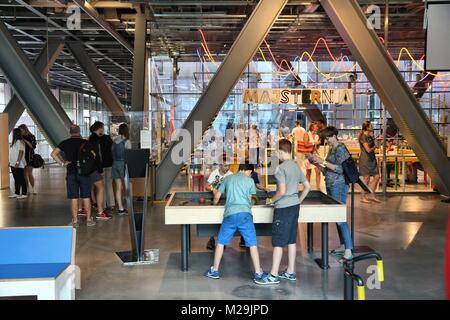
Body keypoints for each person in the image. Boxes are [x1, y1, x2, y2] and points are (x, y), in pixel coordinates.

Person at [255, 139, 311, 285]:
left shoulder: (280, 168)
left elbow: (281, 191)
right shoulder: (295, 166)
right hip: (294, 207)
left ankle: (273, 275)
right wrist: (298, 200)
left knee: (278, 242)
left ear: (280, 151)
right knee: (291, 240)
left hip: (283, 208)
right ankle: (290, 271)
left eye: (276, 152)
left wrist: (271, 200)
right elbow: (307, 186)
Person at [204, 163, 265, 282]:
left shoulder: (227, 178)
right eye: (250, 172)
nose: (250, 174)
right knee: (252, 243)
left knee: (221, 242)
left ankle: (214, 271)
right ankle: (258, 273)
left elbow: (217, 196)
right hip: (245, 215)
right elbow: (249, 199)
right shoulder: (249, 181)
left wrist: (214, 204)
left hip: (230, 214)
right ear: (246, 170)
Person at [309, 126, 353, 261]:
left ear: (334, 135)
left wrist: (322, 161)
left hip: (339, 184)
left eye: (328, 137)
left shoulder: (340, 148)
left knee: (340, 217)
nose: (326, 140)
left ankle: (349, 250)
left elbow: (340, 169)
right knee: (336, 215)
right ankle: (343, 245)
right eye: (325, 138)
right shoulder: (331, 149)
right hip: (331, 183)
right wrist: (316, 163)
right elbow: (326, 171)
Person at [51, 125, 95, 227]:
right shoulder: (85, 143)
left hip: (71, 173)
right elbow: (94, 155)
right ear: (79, 132)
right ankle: (89, 220)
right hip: (84, 173)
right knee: (86, 196)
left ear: (70, 132)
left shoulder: (65, 143)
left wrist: (62, 163)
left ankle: (75, 221)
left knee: (74, 197)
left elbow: (53, 154)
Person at [205, 160, 233, 250]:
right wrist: (213, 188)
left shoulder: (230, 174)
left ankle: (222, 241)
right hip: (215, 200)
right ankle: (212, 239)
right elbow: (207, 186)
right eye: (225, 166)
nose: (227, 168)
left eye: (229, 166)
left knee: (224, 221)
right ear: (220, 165)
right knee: (214, 220)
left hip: (226, 200)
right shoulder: (214, 173)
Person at [88, 122, 112, 220]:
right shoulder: (105, 138)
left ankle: (97, 204)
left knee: (94, 187)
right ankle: (103, 208)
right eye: (102, 127)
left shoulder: (91, 139)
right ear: (100, 128)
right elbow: (98, 155)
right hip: (101, 166)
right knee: (103, 186)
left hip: (95, 167)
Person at [359, 121, 381, 203]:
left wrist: (376, 141)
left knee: (377, 177)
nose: (372, 126)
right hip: (365, 160)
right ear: (367, 127)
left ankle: (372, 193)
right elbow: (368, 150)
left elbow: (376, 146)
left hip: (372, 159)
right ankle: (363, 197)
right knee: (366, 179)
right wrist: (375, 146)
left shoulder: (370, 136)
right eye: (371, 125)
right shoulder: (363, 137)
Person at [112, 123, 132, 215]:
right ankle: (129, 206)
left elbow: (112, 153)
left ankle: (120, 208)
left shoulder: (114, 140)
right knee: (127, 186)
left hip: (115, 164)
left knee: (118, 187)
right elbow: (129, 155)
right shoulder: (127, 141)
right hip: (124, 164)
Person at [8, 128, 28, 199]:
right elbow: (13, 153)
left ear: (15, 133)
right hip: (13, 163)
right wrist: (10, 162)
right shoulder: (15, 142)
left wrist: (17, 162)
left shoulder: (20, 141)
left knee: (21, 178)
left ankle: (24, 194)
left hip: (19, 164)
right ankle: (16, 193)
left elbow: (21, 152)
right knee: (16, 179)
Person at [18, 124, 37, 194]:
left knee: (29, 173)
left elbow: (32, 146)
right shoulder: (19, 137)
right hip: (22, 157)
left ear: (25, 129)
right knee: (24, 174)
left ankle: (33, 188)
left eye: (21, 130)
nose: (20, 132)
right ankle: (27, 188)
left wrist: (24, 140)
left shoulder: (31, 137)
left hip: (29, 156)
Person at [304, 122, 322, 190]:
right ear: (312, 127)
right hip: (308, 154)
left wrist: (318, 144)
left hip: (315, 154)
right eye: (316, 126)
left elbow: (317, 147)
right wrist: (315, 143)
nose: (317, 128)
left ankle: (318, 187)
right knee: (308, 172)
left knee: (318, 171)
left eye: (317, 127)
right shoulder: (306, 134)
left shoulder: (317, 136)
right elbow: (305, 144)